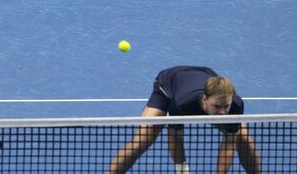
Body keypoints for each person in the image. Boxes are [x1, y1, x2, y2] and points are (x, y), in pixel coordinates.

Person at [107, 66, 261, 174]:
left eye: (225, 106)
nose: (222, 113)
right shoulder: (183, 104)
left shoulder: (235, 105)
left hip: (203, 74)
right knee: (144, 138)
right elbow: (175, 139)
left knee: (244, 138)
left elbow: (228, 145)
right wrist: (183, 170)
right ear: (205, 99)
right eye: (217, 106)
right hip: (168, 84)